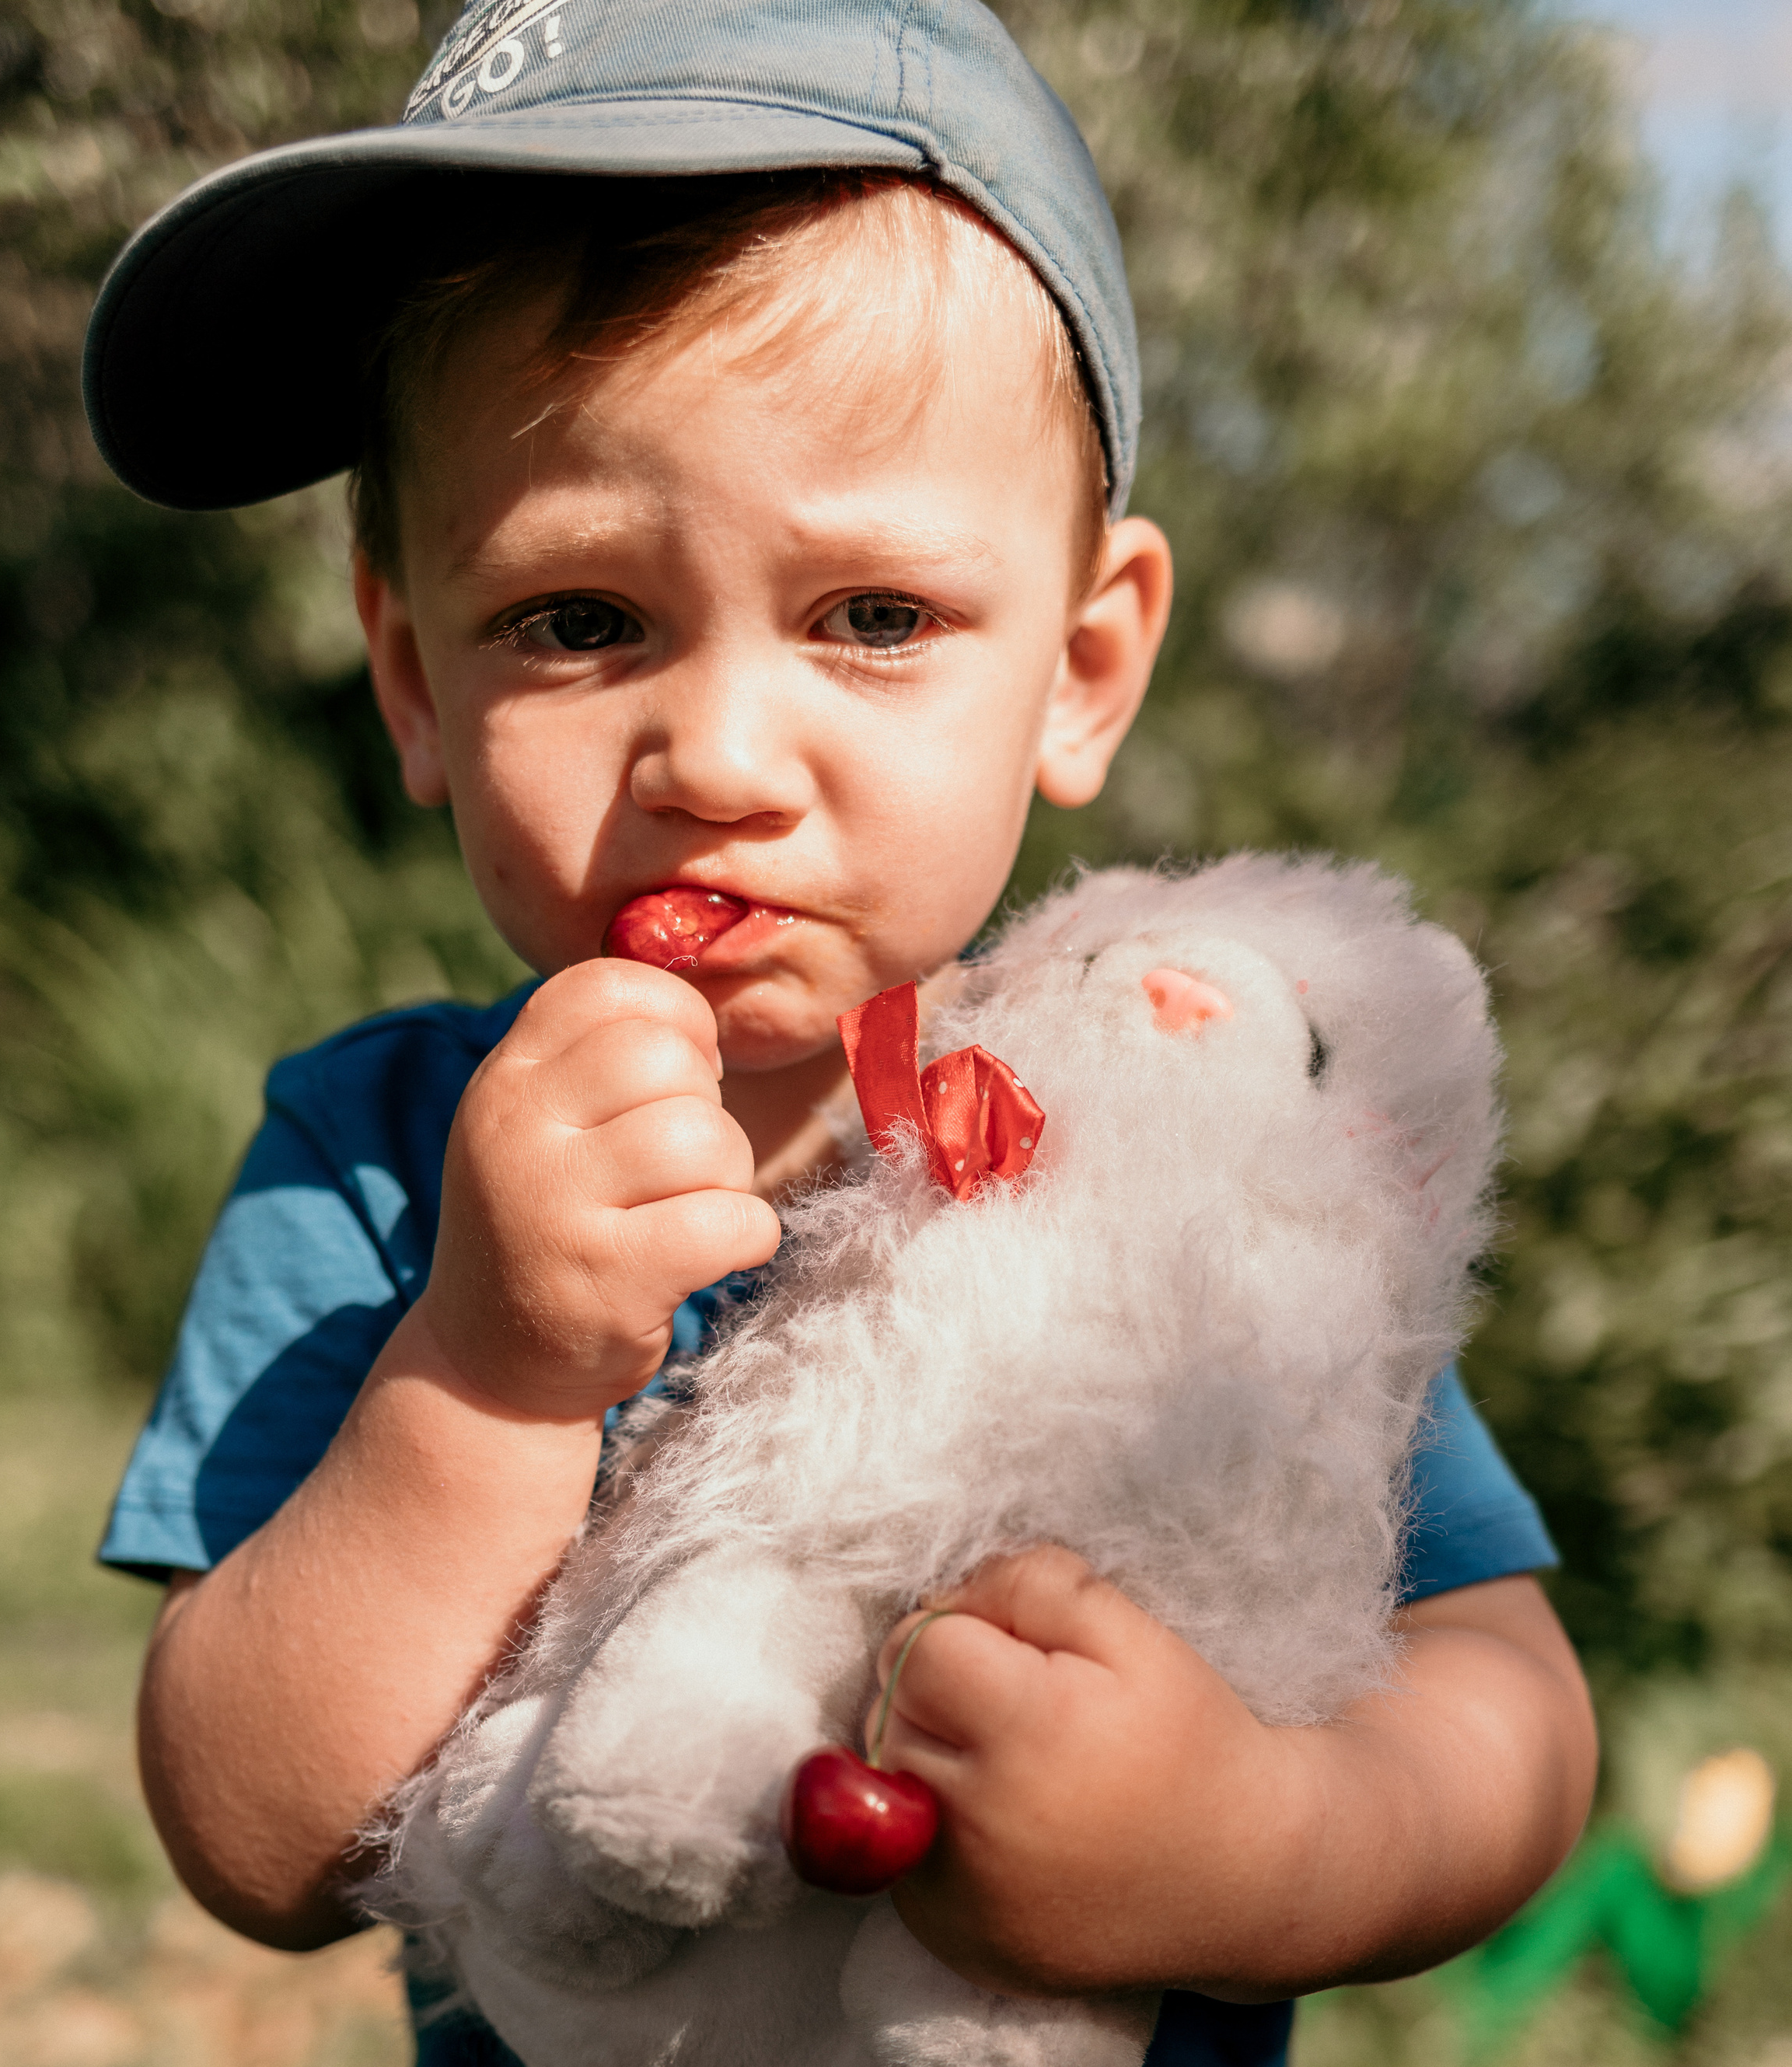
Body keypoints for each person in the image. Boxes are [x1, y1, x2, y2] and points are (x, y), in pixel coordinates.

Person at [85, 2, 1598, 2060]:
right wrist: (487, 1374)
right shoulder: (386, 1155)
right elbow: (253, 1842)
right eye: (576, 617)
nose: (714, 753)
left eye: (872, 617)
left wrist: (1266, 1844)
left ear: (1080, 668)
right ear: (415, 675)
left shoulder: (1177, 1130)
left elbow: (1506, 1700)